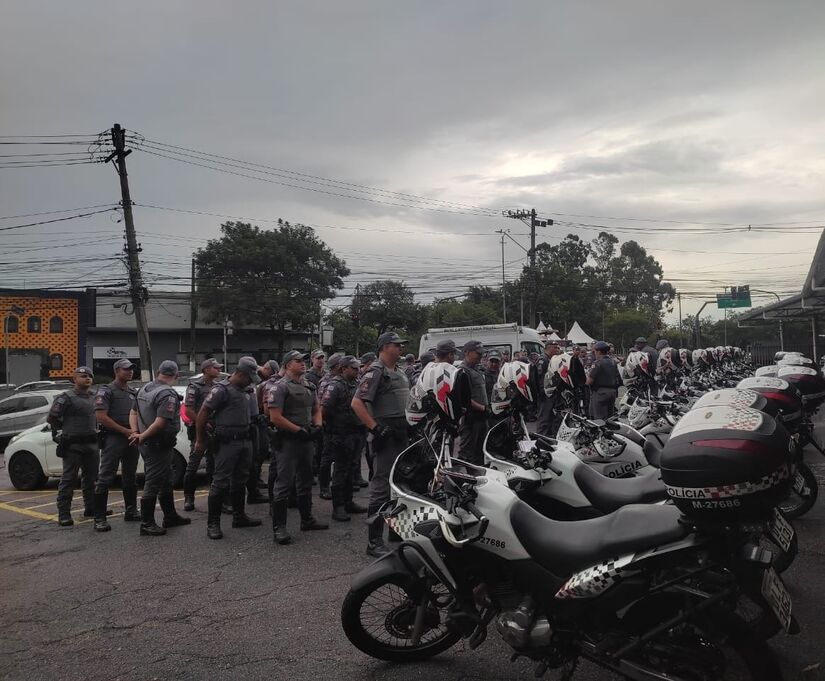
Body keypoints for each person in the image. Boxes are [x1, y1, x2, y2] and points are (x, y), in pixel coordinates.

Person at [351, 332, 410, 557]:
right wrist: (375, 428)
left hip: (401, 433)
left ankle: (397, 530)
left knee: (400, 484)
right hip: (385, 435)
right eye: (397, 345)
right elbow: (357, 403)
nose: (400, 348)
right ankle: (373, 541)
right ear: (385, 347)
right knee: (381, 486)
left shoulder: (400, 373)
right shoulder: (376, 372)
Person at [195, 356, 263, 540]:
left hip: (245, 440)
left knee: (241, 480)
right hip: (226, 442)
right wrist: (201, 440)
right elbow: (203, 413)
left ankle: (239, 516)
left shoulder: (246, 389)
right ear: (239, 374)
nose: (251, 381)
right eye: (249, 377)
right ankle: (213, 524)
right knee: (220, 482)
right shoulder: (221, 390)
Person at [267, 351, 328, 545]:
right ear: (286, 365)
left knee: (306, 480)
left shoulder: (309, 386)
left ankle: (307, 519)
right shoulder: (280, 387)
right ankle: (279, 527)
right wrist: (297, 430)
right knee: (284, 483)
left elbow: (316, 409)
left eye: (303, 361)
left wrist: (317, 425)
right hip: (288, 441)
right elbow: (275, 417)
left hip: (306, 439)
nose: (303, 364)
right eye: (298, 361)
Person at [130, 360, 191, 536]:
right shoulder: (167, 394)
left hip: (147, 442)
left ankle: (170, 516)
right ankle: (146, 523)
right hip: (158, 443)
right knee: (154, 481)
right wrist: (142, 436)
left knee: (165, 479)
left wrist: (136, 433)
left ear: (158, 372)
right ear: (176, 376)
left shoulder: (143, 388)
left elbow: (133, 412)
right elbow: (161, 422)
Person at [48, 367, 100, 527]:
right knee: (69, 479)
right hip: (73, 445)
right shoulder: (66, 397)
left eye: (90, 376)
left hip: (91, 443)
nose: (87, 378)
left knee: (91, 478)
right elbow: (52, 418)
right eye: (83, 376)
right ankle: (64, 514)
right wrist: (68, 430)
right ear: (74, 379)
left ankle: (91, 508)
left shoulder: (95, 396)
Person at [92, 358, 140, 531]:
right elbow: (101, 417)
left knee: (130, 475)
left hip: (131, 437)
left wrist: (134, 432)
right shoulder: (107, 390)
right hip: (114, 437)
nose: (130, 371)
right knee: (105, 476)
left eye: (131, 369)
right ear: (117, 371)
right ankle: (99, 518)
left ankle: (131, 511)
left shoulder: (133, 391)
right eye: (126, 369)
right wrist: (124, 431)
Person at [321, 356, 368, 521]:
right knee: (341, 470)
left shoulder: (357, 383)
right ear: (344, 368)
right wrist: (333, 429)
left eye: (358, 368)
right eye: (354, 368)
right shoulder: (335, 385)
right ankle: (338, 506)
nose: (358, 371)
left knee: (351, 468)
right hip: (341, 434)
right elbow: (324, 410)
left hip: (356, 432)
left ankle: (349, 502)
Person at [182, 358, 223, 512]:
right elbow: (189, 410)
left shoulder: (218, 386)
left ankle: (216, 497)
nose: (218, 370)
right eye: (215, 368)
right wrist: (203, 423)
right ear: (206, 369)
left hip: (215, 429)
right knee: (193, 464)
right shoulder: (195, 386)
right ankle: (189, 498)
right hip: (199, 431)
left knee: (213, 465)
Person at [317, 352, 344, 499]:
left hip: (341, 426)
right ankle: (324, 487)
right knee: (327, 458)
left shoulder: (342, 380)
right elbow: (322, 406)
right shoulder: (326, 382)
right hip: (330, 426)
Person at [457, 340, 488, 465]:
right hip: (471, 419)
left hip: (481, 417)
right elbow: (464, 399)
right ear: (467, 353)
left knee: (480, 452)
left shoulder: (477, 369)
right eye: (477, 353)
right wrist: (482, 408)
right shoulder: (462, 371)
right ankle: (462, 481)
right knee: (466, 454)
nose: (481, 356)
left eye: (481, 353)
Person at [586, 341, 621, 420]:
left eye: (595, 351)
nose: (594, 353)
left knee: (599, 420)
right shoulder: (613, 362)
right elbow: (618, 378)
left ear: (598, 351)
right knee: (610, 418)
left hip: (600, 393)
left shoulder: (597, 363)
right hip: (612, 392)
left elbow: (589, 381)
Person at [534, 341, 560, 435]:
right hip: (544, 394)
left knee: (550, 419)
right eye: (555, 347)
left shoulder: (551, 359)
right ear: (548, 348)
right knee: (544, 419)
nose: (557, 350)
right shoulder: (543, 360)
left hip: (550, 393)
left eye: (557, 348)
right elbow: (540, 378)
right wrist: (543, 392)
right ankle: (540, 439)